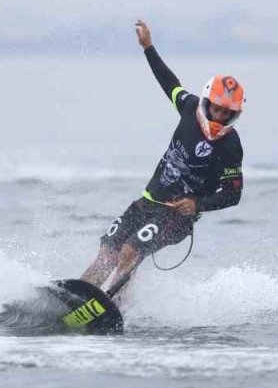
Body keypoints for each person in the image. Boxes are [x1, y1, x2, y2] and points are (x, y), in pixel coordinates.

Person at [81, 20, 245, 296]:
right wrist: (148, 47)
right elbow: (168, 82)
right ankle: (78, 296)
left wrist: (197, 204)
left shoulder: (230, 146)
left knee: (131, 250)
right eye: (217, 109)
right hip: (147, 201)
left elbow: (233, 195)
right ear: (207, 102)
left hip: (176, 216)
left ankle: (110, 305)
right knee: (109, 250)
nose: (220, 116)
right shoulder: (189, 106)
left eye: (227, 113)